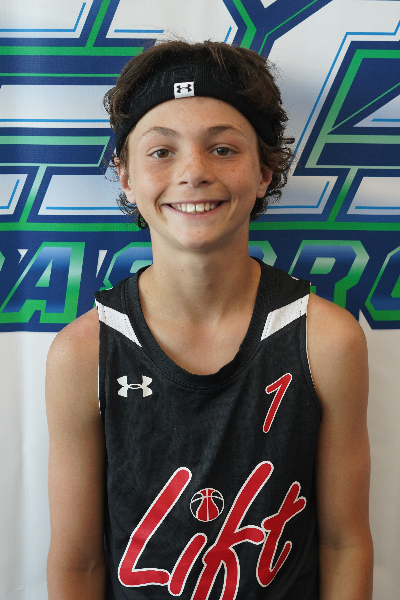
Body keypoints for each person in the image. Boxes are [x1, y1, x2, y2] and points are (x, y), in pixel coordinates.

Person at [45, 40, 373, 600]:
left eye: (222, 149)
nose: (193, 172)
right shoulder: (83, 354)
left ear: (265, 170)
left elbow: (345, 545)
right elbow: (78, 565)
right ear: (125, 175)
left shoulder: (326, 339)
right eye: (161, 151)